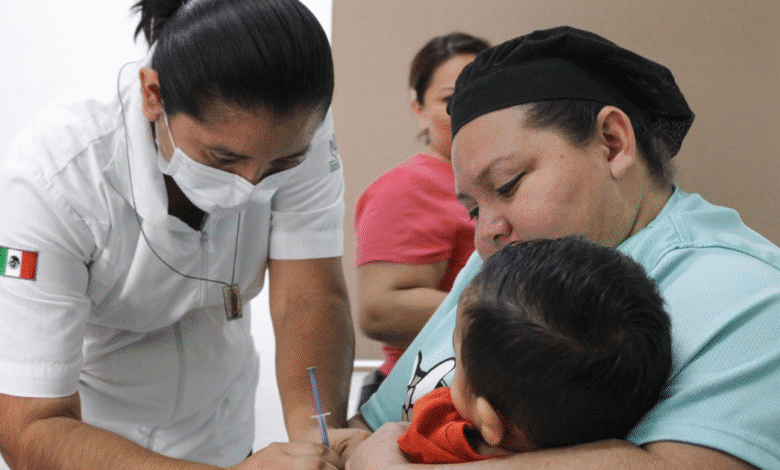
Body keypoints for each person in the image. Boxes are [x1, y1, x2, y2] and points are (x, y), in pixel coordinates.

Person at [346, 26, 780, 470]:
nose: (486, 233)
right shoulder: (501, 261)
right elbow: (372, 424)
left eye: (508, 184)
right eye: (473, 210)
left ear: (612, 142)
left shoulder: (746, 294)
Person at [0, 1, 355, 469]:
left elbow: (308, 298)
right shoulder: (54, 179)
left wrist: (318, 439)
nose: (249, 187)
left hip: (224, 434)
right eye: (222, 160)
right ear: (153, 95)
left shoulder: (295, 133)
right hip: (95, 443)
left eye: (280, 166)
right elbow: (31, 427)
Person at [397, 236, 671, 463]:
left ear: (489, 421)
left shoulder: (436, 439)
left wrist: (386, 437)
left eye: (457, 359)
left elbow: (389, 439)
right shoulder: (621, 441)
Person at [354, 33, 489, 404]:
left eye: (484, 92)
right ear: (418, 108)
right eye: (450, 99)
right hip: (424, 395)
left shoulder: (500, 181)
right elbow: (380, 311)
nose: (470, 108)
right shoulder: (409, 186)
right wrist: (519, 314)